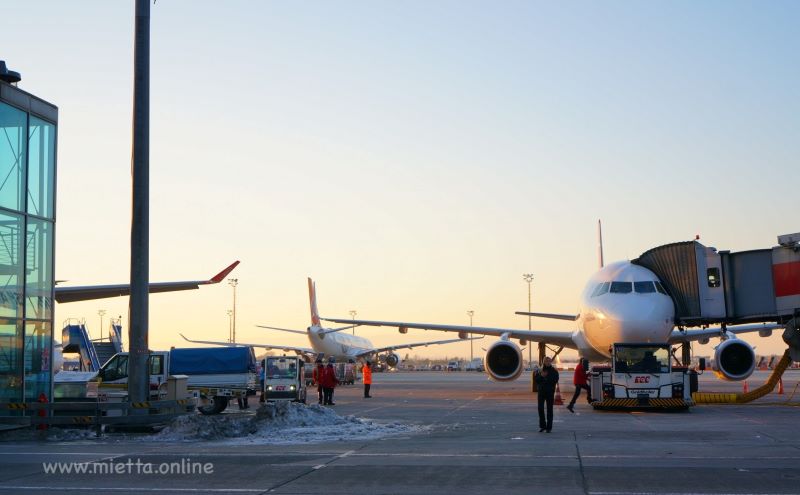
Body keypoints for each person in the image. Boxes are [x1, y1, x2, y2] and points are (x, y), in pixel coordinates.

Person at [534, 356, 559, 433]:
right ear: (544, 362)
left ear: (551, 362)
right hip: (541, 392)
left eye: (549, 361)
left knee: (549, 410)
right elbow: (536, 380)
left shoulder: (554, 370)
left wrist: (546, 378)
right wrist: (541, 376)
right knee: (540, 409)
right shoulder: (540, 370)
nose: (548, 363)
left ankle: (549, 427)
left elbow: (555, 380)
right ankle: (542, 426)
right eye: (546, 361)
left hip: (549, 392)